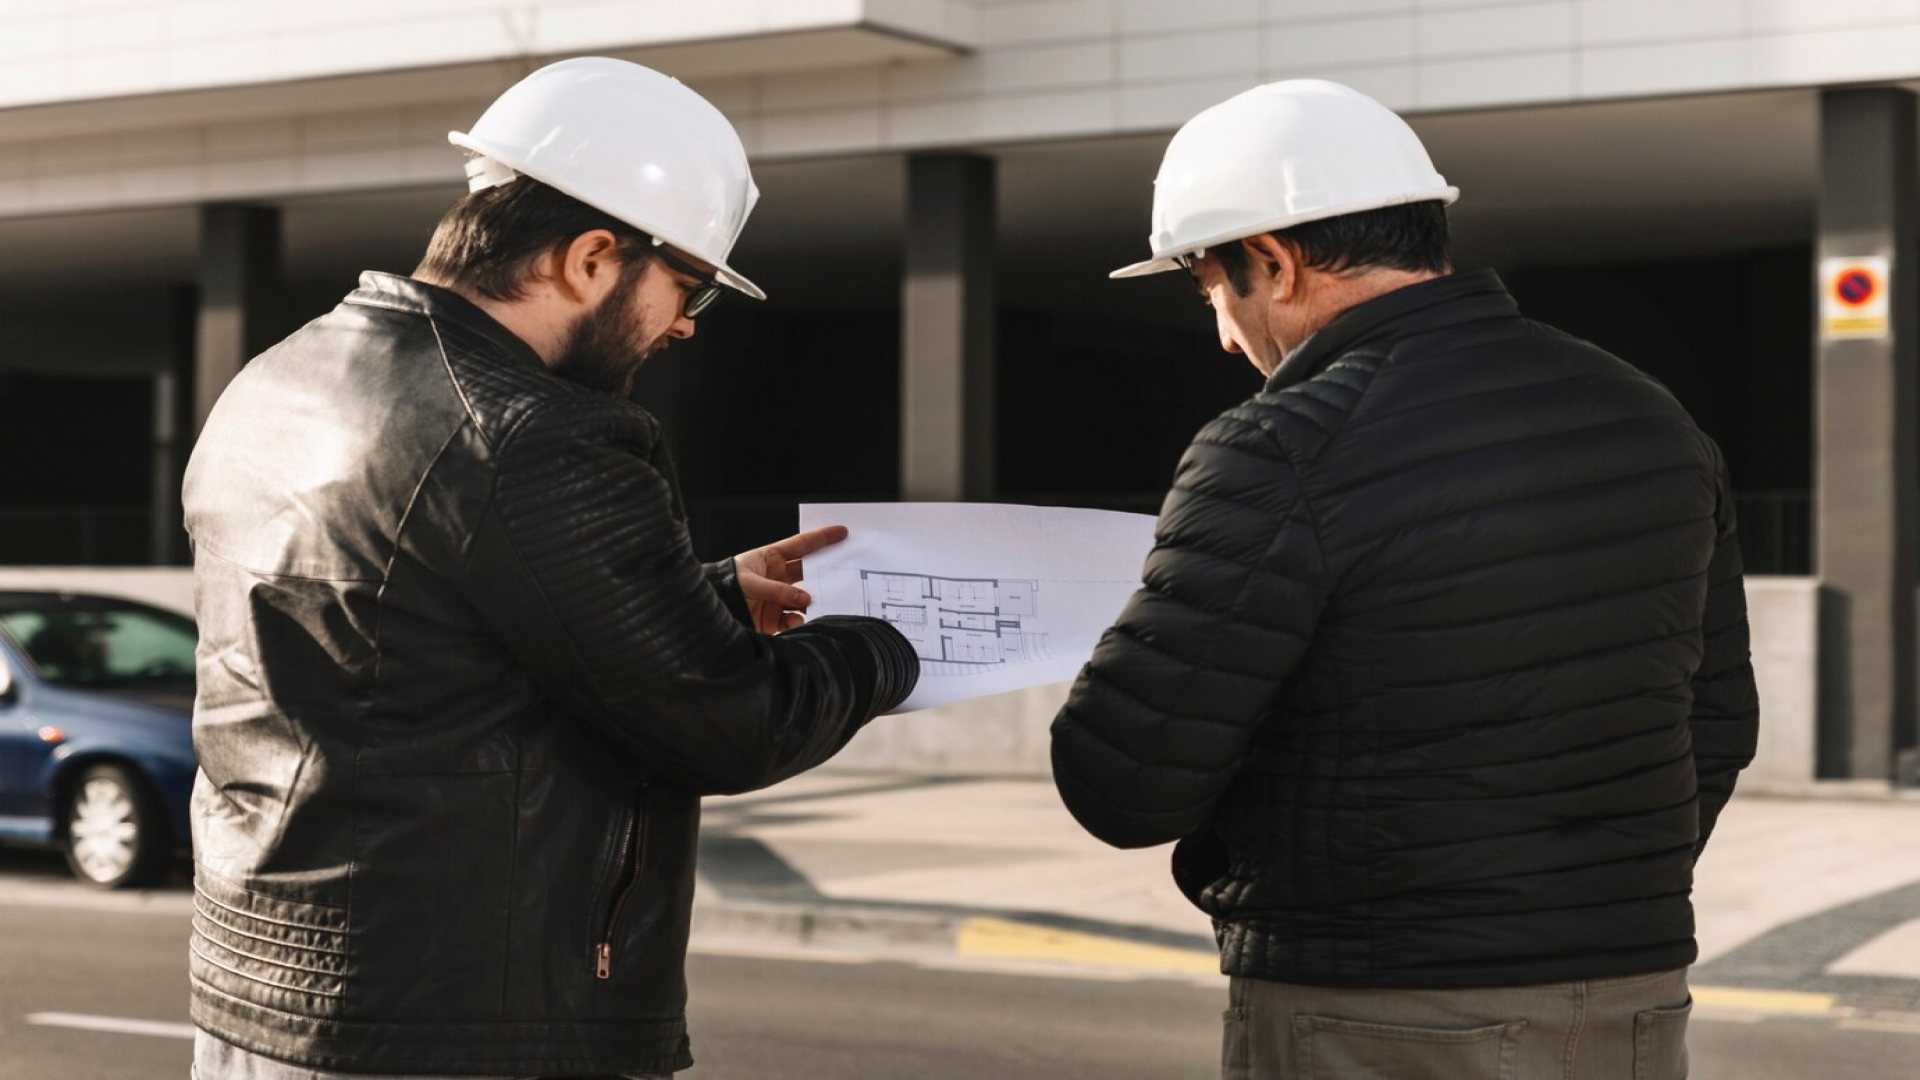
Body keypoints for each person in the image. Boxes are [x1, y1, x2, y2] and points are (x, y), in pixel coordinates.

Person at [182, 57, 918, 1079]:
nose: (688, 323)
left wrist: (694, 597)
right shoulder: (536, 435)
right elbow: (731, 724)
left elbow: (397, 634)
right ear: (591, 258)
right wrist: (893, 645)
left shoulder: (281, 377)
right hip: (461, 1025)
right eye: (688, 286)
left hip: (261, 997)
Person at [1050, 80, 1759, 1080]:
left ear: (1273, 260)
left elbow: (1122, 785)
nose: (1221, 332)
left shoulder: (1281, 446)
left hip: (1375, 1011)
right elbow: (1718, 717)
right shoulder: (1648, 415)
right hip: (1634, 1001)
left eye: (1211, 289)